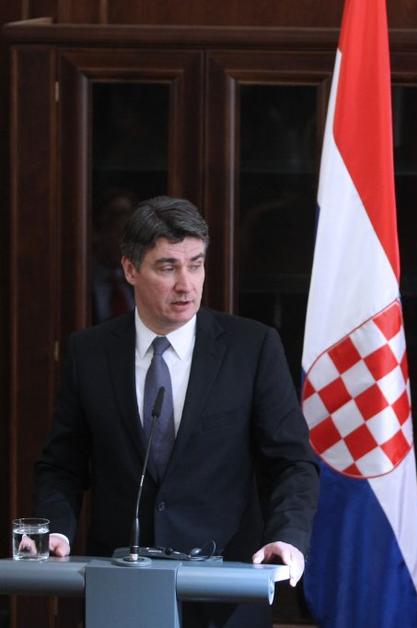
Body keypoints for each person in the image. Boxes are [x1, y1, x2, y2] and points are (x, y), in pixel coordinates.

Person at [34, 196, 320, 627]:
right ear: (130, 269)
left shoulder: (252, 347)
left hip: (226, 592)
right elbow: (61, 465)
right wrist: (56, 529)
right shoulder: (89, 352)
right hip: (122, 590)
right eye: (167, 267)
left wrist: (287, 536)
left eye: (196, 265)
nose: (186, 285)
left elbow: (292, 462)